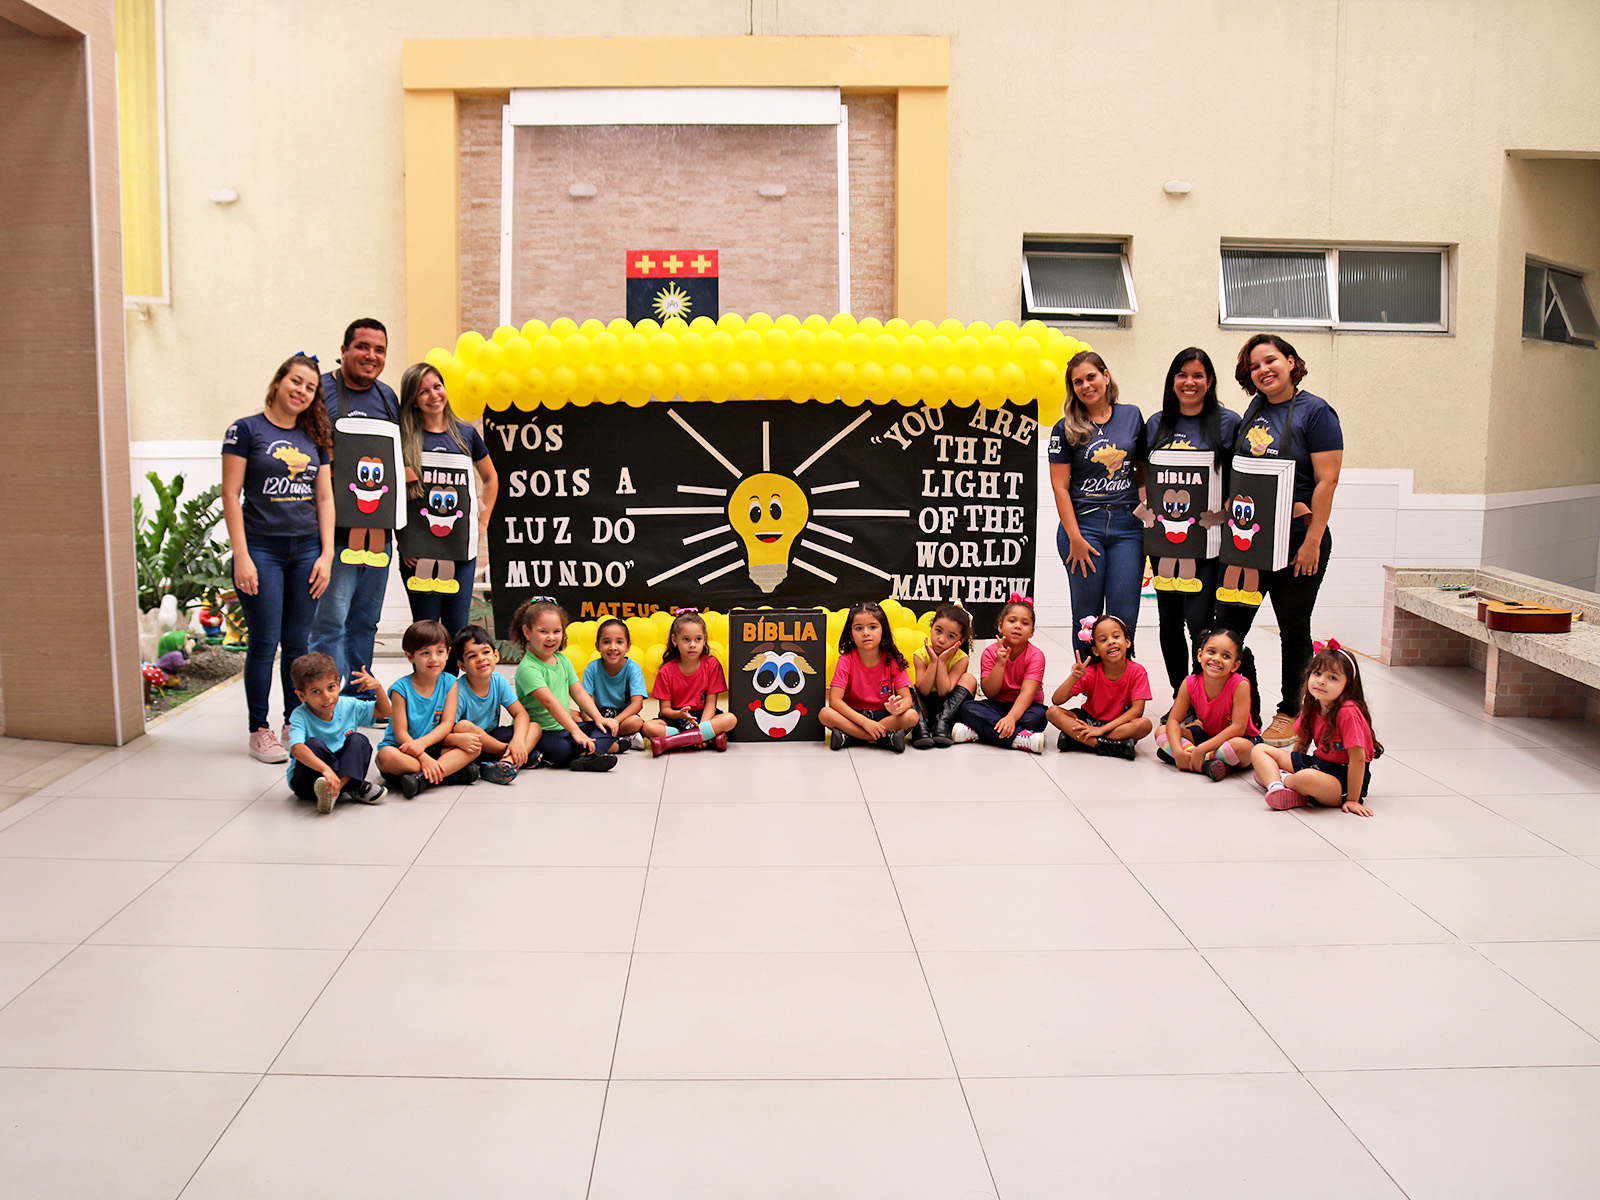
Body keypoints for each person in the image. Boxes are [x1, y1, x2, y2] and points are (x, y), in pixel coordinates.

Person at [1214, 334, 1344, 746]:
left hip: (1298, 541)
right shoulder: (1254, 409)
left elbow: (1327, 481)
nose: (1263, 370)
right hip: (1250, 541)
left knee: (1293, 628)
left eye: (1270, 360)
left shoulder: (1316, 412)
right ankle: (1238, 710)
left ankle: (1291, 712)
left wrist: (1312, 542)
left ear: (1290, 361)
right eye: (1254, 366)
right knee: (1230, 628)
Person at [222, 353, 335, 763]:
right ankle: (260, 730)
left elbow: (325, 497)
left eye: (310, 387)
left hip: (306, 551)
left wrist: (326, 555)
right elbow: (230, 494)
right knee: (265, 643)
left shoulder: (315, 438)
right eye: (296, 381)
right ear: (278, 382)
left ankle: (293, 724)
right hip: (261, 550)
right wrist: (242, 556)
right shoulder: (245, 430)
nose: (301, 390)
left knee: (298, 645)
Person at [1139, 348, 1241, 695]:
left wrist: (1226, 509)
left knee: (1199, 622)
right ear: (1172, 381)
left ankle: (1204, 695)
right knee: (1168, 622)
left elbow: (1240, 478)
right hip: (1166, 542)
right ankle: (1180, 695)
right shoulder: (1156, 423)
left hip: (1208, 543)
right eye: (1182, 375)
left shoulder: (1228, 423)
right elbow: (1143, 474)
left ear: (1209, 381)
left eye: (1198, 375)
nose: (1189, 382)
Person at [307, 319, 399, 700]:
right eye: (362, 347)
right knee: (330, 622)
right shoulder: (319, 390)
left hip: (378, 533)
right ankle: (327, 703)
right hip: (336, 531)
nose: (371, 356)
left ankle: (359, 699)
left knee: (365, 621)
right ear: (344, 350)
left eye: (379, 350)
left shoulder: (387, 397)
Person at [397, 362, 497, 670]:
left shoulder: (466, 434)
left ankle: (452, 693)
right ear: (413, 399)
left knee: (456, 629)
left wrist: (482, 522)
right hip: (419, 554)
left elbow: (491, 478)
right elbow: (393, 494)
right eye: (423, 391)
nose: (433, 395)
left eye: (437, 386)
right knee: (426, 632)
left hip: (460, 552)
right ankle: (426, 692)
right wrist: (403, 540)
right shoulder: (403, 438)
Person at [1048, 350, 1147, 637]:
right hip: (1084, 528)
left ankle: (1121, 669)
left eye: (1091, 377)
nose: (1086, 385)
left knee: (1123, 619)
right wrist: (1075, 539)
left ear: (1105, 376)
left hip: (1128, 528)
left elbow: (1142, 468)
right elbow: (1060, 487)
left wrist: (1143, 504)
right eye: (1078, 382)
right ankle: (1085, 669)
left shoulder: (1131, 415)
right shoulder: (1064, 428)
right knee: (1087, 619)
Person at [1251, 638, 1380, 815]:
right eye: (1317, 673)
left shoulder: (1348, 711)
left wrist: (1352, 799)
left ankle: (1281, 780)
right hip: (1319, 765)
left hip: (1343, 779)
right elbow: (1302, 742)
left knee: (1305, 777)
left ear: (1348, 686)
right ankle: (1277, 787)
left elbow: (1358, 759)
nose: (1321, 681)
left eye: (1332, 678)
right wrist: (1293, 764)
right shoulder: (1314, 703)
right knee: (1259, 750)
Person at [375, 619, 481, 798]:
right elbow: (400, 733)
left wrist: (424, 745)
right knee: (385, 757)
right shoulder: (400, 689)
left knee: (474, 747)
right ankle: (447, 773)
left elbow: (447, 724)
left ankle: (421, 779)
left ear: (447, 653)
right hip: (404, 750)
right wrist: (423, 757)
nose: (433, 659)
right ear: (410, 657)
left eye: (439, 652)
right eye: (425, 653)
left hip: (433, 747)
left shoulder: (450, 683)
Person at [510, 598, 620, 770]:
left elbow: (579, 693)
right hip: (542, 732)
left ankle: (587, 755)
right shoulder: (528, 668)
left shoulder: (563, 660)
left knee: (608, 728)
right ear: (527, 632)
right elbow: (550, 702)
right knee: (562, 750)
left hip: (565, 726)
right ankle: (590, 751)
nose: (551, 637)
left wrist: (598, 718)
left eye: (557, 631)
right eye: (543, 631)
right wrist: (576, 731)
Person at [284, 652, 389, 814]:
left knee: (358, 740)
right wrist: (325, 769)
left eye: (331, 687)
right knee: (313, 744)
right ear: (302, 695)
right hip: (308, 782)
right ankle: (351, 787)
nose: (326, 697)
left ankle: (336, 789)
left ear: (338, 684)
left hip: (340, 773)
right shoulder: (300, 715)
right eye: (316, 692)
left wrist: (378, 687)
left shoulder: (348, 705)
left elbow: (384, 711)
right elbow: (297, 749)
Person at [1156, 628, 1260, 780]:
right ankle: (1208, 763)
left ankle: (1195, 758)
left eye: (1226, 656)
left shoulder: (1240, 684)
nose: (1217, 659)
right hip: (1208, 735)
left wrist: (1201, 749)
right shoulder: (1190, 682)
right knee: (1162, 731)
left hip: (1241, 739)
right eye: (1211, 652)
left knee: (1240, 747)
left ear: (1235, 665)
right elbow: (1174, 720)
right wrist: (1177, 751)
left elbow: (1238, 728)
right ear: (1200, 655)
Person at [1047, 614, 1153, 759]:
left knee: (1144, 724)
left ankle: (1079, 740)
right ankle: (1109, 746)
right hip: (1090, 719)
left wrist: (1101, 730)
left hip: (1118, 723)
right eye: (1103, 640)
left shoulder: (1137, 672)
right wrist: (1074, 677)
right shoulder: (1091, 672)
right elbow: (1057, 700)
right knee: (1052, 712)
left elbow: (1137, 711)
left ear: (1128, 642)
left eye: (1116, 636)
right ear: (1095, 650)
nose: (1111, 642)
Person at [951, 596, 1048, 753]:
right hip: (997, 705)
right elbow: (990, 692)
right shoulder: (990, 653)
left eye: (1025, 623)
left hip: (1026, 707)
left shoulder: (1036, 656)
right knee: (967, 708)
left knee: (1039, 717)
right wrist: (1000, 664)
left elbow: (1027, 693)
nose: (1018, 626)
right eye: (1012, 621)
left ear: (1032, 632)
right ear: (1000, 627)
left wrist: (1011, 718)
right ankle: (1019, 738)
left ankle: (981, 732)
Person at [820, 601, 918, 752]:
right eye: (859, 628)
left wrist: (897, 709)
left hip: (885, 716)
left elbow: (907, 699)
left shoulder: (892, 660)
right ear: (851, 635)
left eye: (872, 627)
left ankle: (852, 737)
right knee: (825, 714)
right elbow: (835, 701)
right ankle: (885, 738)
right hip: (854, 716)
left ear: (883, 630)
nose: (866, 633)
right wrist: (865, 723)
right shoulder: (846, 661)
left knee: (912, 716)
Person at [446, 624, 534, 784]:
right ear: (462, 665)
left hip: (492, 738)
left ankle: (507, 762)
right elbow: (450, 730)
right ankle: (511, 754)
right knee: (464, 726)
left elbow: (520, 713)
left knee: (535, 727)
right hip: (471, 746)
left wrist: (518, 740)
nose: (481, 658)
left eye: (486, 652)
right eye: (472, 656)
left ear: (496, 655)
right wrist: (507, 746)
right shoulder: (458, 690)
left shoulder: (498, 681)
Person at [642, 609, 738, 755]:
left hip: (704, 717)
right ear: (675, 640)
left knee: (730, 719)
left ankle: (675, 741)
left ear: (704, 640)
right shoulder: (666, 671)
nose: (692, 645)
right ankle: (707, 738)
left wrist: (702, 725)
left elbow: (711, 703)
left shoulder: (712, 665)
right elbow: (665, 710)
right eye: (686, 639)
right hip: (676, 719)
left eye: (698, 639)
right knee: (648, 727)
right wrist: (680, 714)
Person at [910, 604, 979, 749]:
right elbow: (923, 690)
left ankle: (942, 724)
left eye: (951, 636)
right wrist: (933, 662)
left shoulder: (961, 658)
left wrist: (942, 662)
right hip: (925, 707)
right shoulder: (920, 654)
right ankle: (920, 727)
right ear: (931, 628)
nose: (941, 639)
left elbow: (943, 691)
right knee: (905, 684)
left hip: (949, 709)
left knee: (969, 679)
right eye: (938, 631)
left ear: (960, 640)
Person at [581, 618, 649, 750]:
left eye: (619, 642)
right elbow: (584, 701)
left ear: (628, 646)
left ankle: (605, 736)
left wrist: (614, 722)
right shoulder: (592, 667)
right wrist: (593, 723)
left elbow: (637, 704)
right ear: (597, 646)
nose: (613, 647)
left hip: (622, 718)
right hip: (598, 716)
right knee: (568, 714)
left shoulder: (632, 668)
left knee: (636, 722)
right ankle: (613, 738)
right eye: (606, 642)